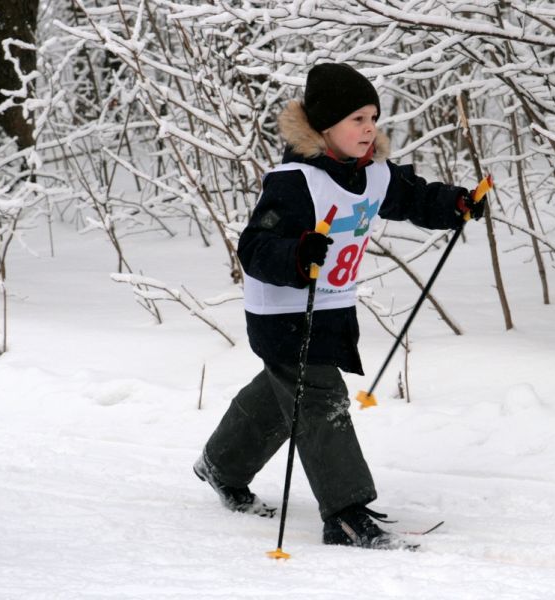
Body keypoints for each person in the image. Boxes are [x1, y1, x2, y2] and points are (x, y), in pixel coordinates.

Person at [193, 62, 486, 550]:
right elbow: (254, 247)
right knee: (320, 401)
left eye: (373, 116)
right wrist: (297, 252)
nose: (370, 128)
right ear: (325, 126)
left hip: (331, 307)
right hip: (283, 311)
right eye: (357, 119)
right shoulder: (294, 181)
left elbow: (413, 198)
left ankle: (221, 464)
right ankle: (346, 514)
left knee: (283, 392)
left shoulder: (372, 174)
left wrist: (454, 204)